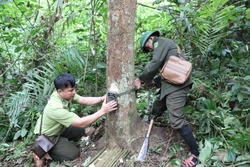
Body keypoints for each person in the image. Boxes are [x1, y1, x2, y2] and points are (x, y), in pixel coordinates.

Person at [134, 31, 199, 167]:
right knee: (158, 106)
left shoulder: (160, 42)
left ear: (151, 38)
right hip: (171, 86)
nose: (149, 49)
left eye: (147, 47)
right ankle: (152, 118)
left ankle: (195, 154)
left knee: (176, 120)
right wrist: (152, 81)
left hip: (177, 88)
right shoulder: (166, 46)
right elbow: (168, 70)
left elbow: (156, 62)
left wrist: (141, 78)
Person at [33, 72, 117, 167]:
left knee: (80, 131)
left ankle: (59, 143)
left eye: (74, 89)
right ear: (60, 91)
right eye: (71, 90)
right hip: (47, 136)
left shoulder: (62, 95)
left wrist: (102, 98)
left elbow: (83, 100)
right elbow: (81, 123)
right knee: (73, 154)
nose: (74, 92)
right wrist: (102, 111)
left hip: (60, 128)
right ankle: (42, 151)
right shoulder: (56, 108)